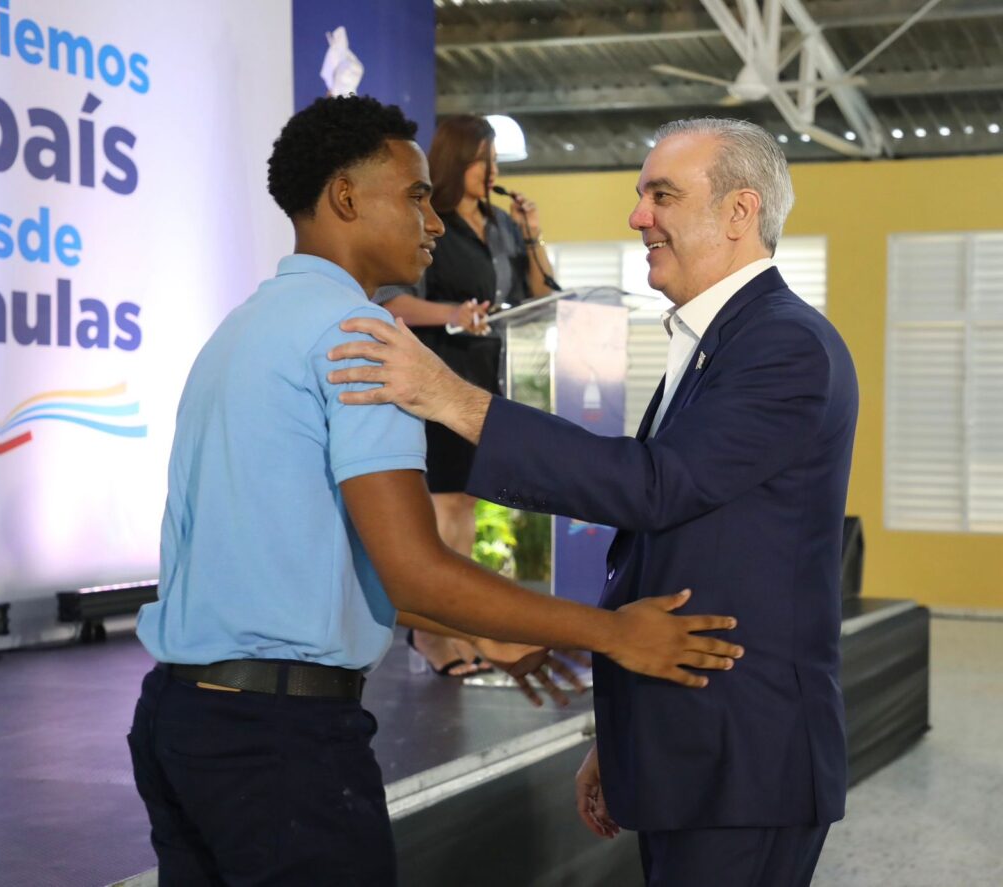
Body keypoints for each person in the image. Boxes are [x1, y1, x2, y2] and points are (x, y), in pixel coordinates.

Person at [127, 97, 745, 887]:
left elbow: (325, 570)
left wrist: (490, 632)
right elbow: (414, 569)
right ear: (346, 199)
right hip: (279, 748)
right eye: (416, 195)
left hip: (180, 726)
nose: (433, 219)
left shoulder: (240, 331)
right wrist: (612, 633)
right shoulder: (363, 342)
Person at [328, 117, 859, 887]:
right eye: (641, 195)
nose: (639, 216)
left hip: (744, 760)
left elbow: (653, 486)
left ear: (741, 212)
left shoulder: (785, 345)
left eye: (662, 195)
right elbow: (671, 550)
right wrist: (620, 733)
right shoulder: (723, 341)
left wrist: (454, 398)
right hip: (692, 745)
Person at [371, 114, 557, 676]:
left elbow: (543, 294)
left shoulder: (501, 226)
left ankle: (452, 628)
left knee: (464, 506)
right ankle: (433, 635)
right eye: (483, 159)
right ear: (458, 161)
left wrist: (532, 234)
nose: (493, 170)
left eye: (495, 159)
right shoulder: (431, 223)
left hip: (485, 380)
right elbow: (394, 302)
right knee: (445, 506)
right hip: (435, 376)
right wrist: (453, 313)